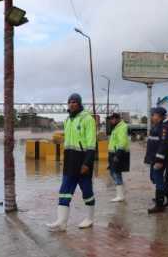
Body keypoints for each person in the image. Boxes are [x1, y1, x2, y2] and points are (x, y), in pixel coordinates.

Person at [46, 93, 97, 232]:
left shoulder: (88, 119)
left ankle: (89, 218)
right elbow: (69, 141)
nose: (72, 104)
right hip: (69, 161)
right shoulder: (68, 120)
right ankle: (61, 222)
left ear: (79, 104)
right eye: (70, 102)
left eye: (75, 102)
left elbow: (92, 143)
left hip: (83, 161)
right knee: (64, 192)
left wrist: (87, 163)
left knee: (87, 191)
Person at [145, 107, 168, 214]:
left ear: (158, 115)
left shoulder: (164, 128)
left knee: (158, 179)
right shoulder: (157, 126)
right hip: (154, 158)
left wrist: (159, 160)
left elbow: (164, 145)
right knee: (154, 178)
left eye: (153, 115)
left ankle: (159, 205)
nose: (151, 117)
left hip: (160, 159)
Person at [107, 113, 130, 202]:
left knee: (116, 173)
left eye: (112, 119)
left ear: (117, 119)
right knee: (113, 173)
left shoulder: (122, 127)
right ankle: (120, 193)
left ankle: (120, 195)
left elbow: (123, 141)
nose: (111, 121)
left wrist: (118, 154)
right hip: (113, 153)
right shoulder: (117, 127)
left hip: (118, 153)